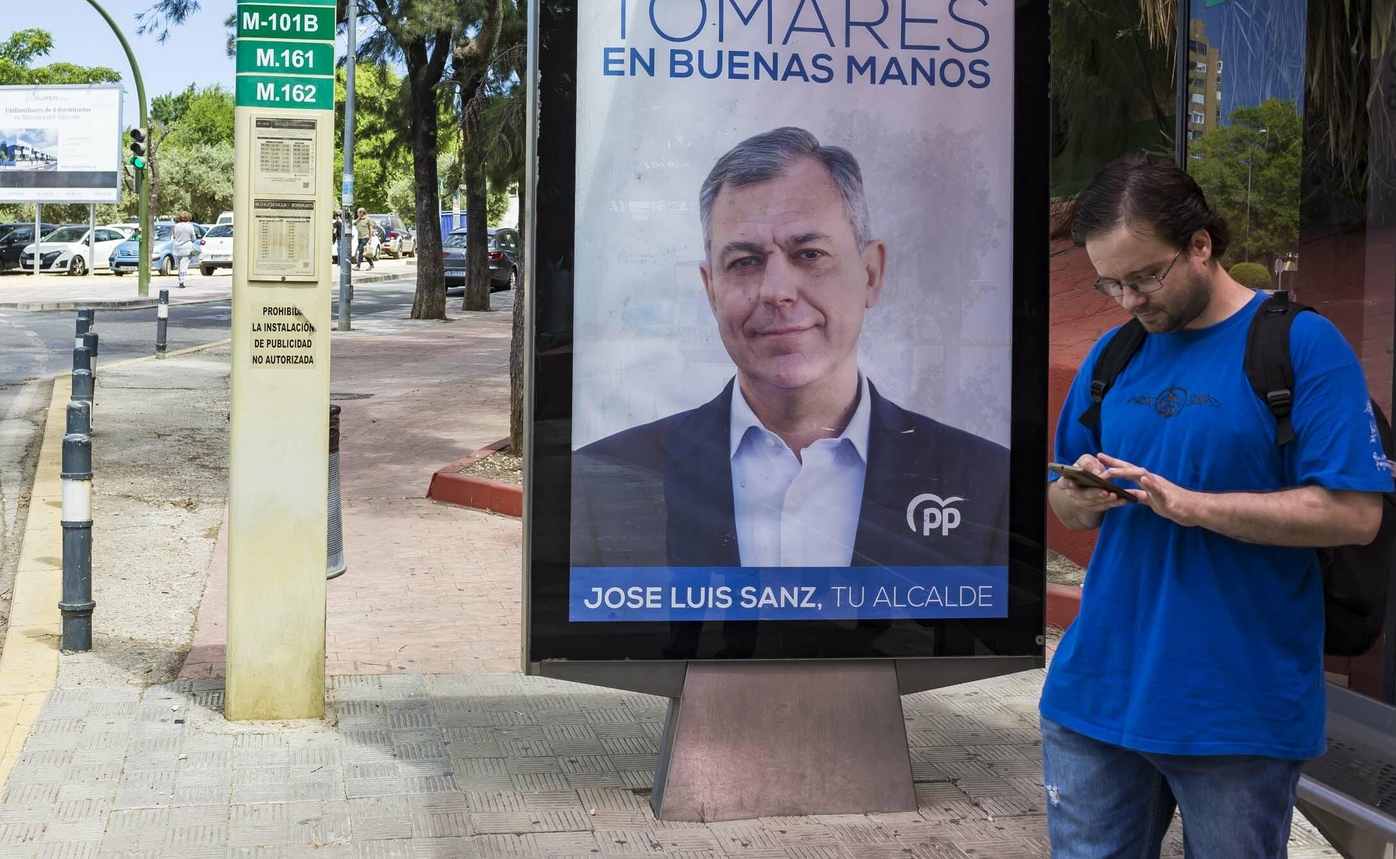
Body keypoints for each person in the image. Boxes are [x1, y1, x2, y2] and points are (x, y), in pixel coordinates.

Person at [1042, 155, 1388, 858]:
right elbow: (1066, 508)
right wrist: (1078, 494)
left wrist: (1194, 505)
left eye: (1144, 276)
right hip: (1095, 697)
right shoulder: (1114, 353)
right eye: (1110, 282)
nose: (1128, 298)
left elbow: (1355, 514)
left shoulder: (1299, 345)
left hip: (1236, 711)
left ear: (1201, 244)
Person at [571, 126, 1009, 569]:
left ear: (871, 273)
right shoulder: (602, 480)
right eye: (745, 262)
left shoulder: (986, 482)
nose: (777, 291)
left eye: (810, 253)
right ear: (711, 291)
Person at [171, 211, 196, 288]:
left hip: (177, 248)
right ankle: (182, 281)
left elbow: (174, 236)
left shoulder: (176, 226)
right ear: (189, 218)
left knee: (179, 264)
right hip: (187, 248)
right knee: (184, 265)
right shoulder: (190, 226)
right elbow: (193, 238)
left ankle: (180, 278)